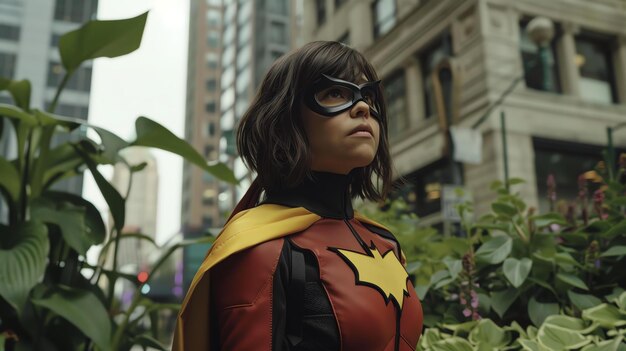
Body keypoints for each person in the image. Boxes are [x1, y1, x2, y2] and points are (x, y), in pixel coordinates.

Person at [173, 41, 423, 351]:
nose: (362, 108)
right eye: (335, 93)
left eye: (368, 96)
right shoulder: (263, 248)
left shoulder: (384, 242)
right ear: (286, 118)